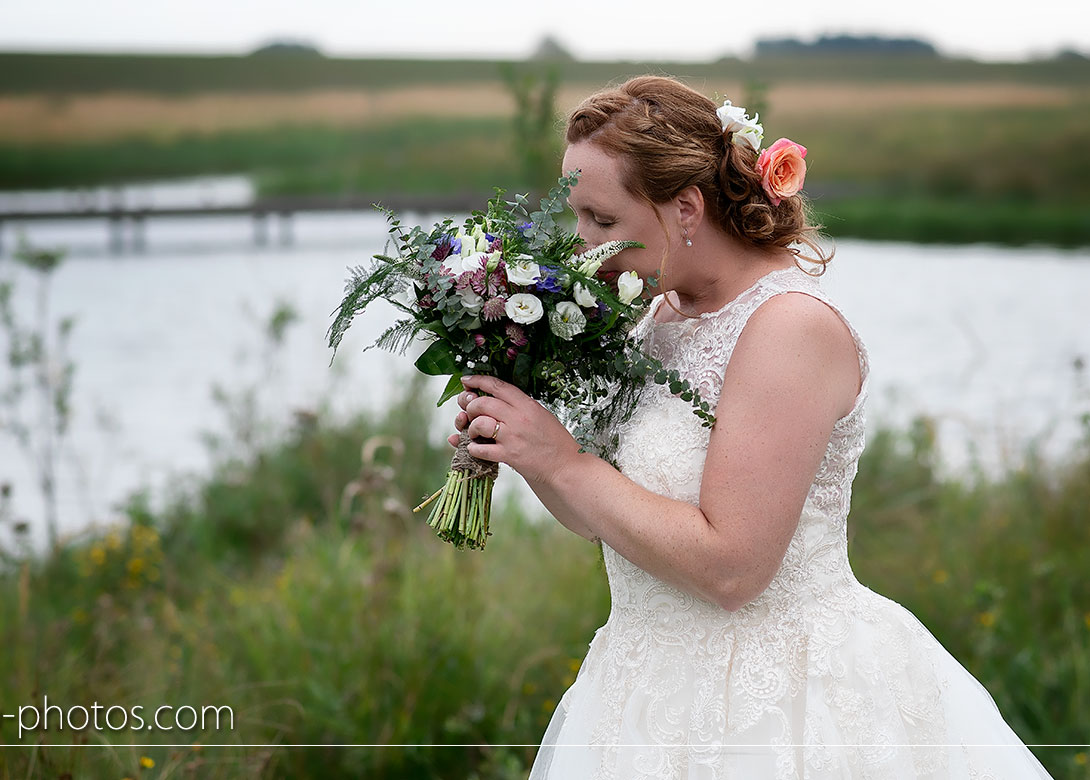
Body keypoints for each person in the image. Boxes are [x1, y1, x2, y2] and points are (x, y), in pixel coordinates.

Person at [448, 76, 1052, 779]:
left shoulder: (789, 327)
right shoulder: (658, 315)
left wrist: (564, 464)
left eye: (602, 220)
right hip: (640, 694)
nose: (580, 244)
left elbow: (734, 568)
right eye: (576, 217)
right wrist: (521, 444)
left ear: (686, 208)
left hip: (777, 708)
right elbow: (603, 520)